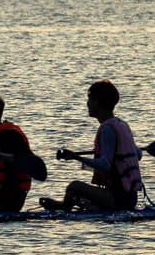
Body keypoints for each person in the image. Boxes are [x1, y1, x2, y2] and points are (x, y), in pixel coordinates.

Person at [43, 79, 141, 212]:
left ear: (98, 102)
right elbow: (138, 154)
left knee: (74, 187)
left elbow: (105, 165)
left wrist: (76, 157)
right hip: (130, 198)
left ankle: (63, 210)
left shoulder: (107, 129)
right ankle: (79, 207)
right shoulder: (122, 125)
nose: (87, 104)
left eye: (90, 100)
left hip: (118, 198)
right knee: (83, 200)